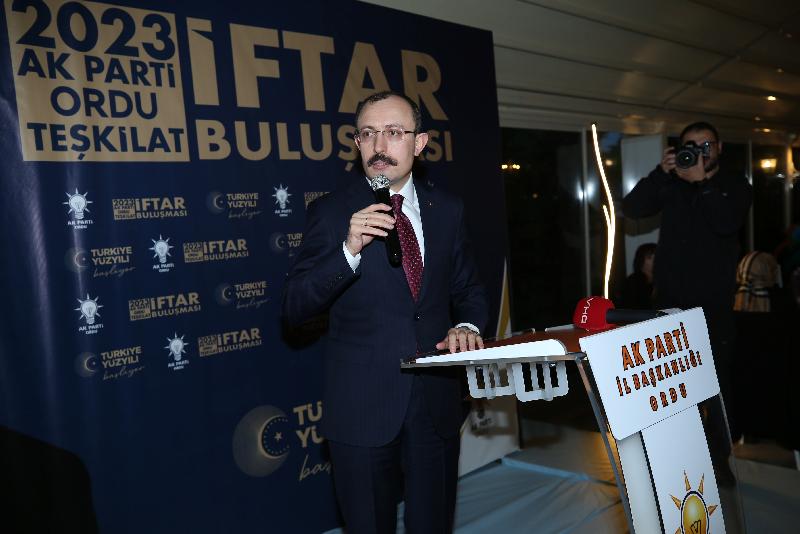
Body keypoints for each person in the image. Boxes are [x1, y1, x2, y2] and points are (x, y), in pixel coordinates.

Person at [282, 91, 488, 534]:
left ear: (419, 143)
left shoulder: (447, 209)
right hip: (362, 405)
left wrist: (467, 325)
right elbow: (295, 307)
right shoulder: (331, 212)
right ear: (357, 143)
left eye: (394, 132)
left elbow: (469, 289)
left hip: (436, 401)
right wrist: (348, 251)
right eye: (368, 134)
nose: (379, 146)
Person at [622, 121, 752, 441]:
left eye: (706, 145)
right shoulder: (672, 182)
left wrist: (702, 182)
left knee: (715, 380)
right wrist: (660, 173)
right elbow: (632, 208)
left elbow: (725, 223)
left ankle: (722, 453)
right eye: (691, 147)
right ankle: (679, 445)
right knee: (670, 380)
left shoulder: (734, 184)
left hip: (713, 305)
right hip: (669, 302)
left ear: (719, 148)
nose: (700, 152)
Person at [621, 242, 656, 309]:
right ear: (641, 260)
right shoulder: (633, 282)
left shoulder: (663, 280)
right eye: (649, 257)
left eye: (656, 256)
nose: (654, 260)